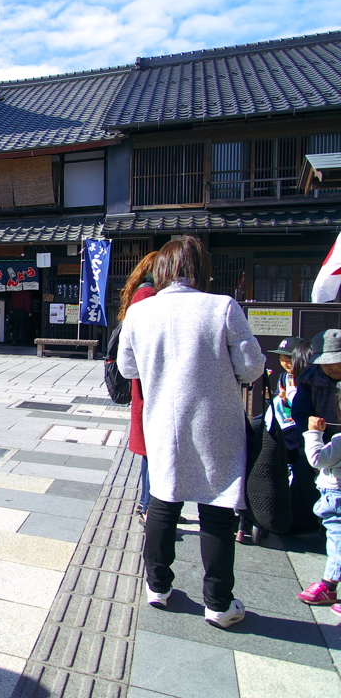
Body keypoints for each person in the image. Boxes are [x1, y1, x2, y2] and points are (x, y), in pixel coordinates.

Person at [118, 236, 264, 629]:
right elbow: (251, 368)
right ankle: (218, 602)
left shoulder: (140, 312)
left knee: (163, 502)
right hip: (214, 423)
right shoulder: (221, 308)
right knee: (216, 511)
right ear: (201, 268)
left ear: (163, 269)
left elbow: (128, 368)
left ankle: (158, 586)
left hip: (164, 421)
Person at [117, 251, 159, 522]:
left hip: (147, 386)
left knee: (154, 450)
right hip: (148, 386)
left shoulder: (144, 293)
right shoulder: (147, 297)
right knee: (153, 451)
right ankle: (147, 504)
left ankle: (150, 503)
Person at [267, 338, 319, 535]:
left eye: (289, 359)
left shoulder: (309, 379)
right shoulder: (284, 379)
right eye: (282, 359)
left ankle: (302, 520)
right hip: (288, 432)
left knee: (303, 471)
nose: (286, 363)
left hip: (303, 435)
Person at [300, 407, 341, 612]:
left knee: (338, 542)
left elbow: (317, 459)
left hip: (336, 497)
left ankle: (328, 585)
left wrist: (314, 433)